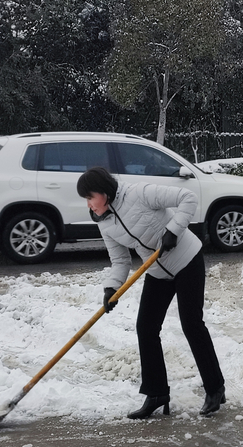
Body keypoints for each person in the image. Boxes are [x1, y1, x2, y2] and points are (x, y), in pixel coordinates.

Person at [76, 166, 226, 419]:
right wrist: (112, 287)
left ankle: (215, 388)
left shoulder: (139, 193)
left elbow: (187, 199)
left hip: (186, 259)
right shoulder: (106, 222)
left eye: (91, 197)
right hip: (157, 270)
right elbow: (120, 261)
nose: (89, 205)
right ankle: (156, 393)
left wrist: (173, 230)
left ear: (105, 192)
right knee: (146, 328)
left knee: (191, 324)